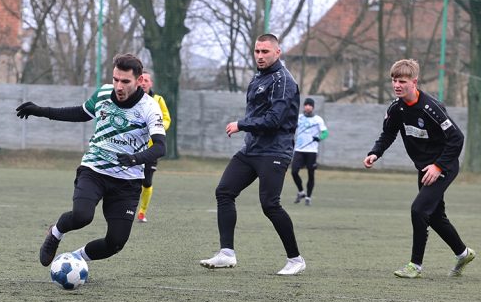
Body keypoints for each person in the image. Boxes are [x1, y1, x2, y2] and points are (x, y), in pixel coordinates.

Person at [16, 53, 166, 267]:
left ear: (139, 80)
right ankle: (55, 233)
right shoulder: (104, 93)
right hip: (94, 170)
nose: (119, 86)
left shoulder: (150, 107)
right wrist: (41, 111)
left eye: (125, 81)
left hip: (128, 181)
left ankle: (76, 259)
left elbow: (160, 147)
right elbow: (80, 113)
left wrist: (135, 158)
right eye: (115, 79)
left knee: (115, 243)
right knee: (81, 216)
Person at [200, 33, 305, 275]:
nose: (260, 56)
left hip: (275, 150)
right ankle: (226, 253)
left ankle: (295, 259)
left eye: (265, 52)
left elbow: (274, 119)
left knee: (270, 204)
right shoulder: (260, 77)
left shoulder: (283, 81)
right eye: (257, 51)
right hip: (252, 149)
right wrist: (246, 128)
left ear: (278, 52)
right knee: (224, 191)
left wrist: (241, 124)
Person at [363, 59, 475, 278]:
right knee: (434, 216)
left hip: (444, 165)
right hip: (425, 168)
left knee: (418, 210)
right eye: (394, 80)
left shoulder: (431, 108)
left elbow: (457, 138)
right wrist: (375, 152)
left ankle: (415, 266)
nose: (396, 85)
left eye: (402, 81)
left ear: (414, 82)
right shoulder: (396, 107)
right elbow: (388, 133)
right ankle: (463, 253)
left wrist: (438, 165)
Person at [136, 71, 172, 222]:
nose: (143, 83)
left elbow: (166, 118)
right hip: (134, 147)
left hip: (151, 149)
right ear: (137, 82)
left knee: (147, 181)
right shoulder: (132, 99)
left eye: (146, 80)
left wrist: (157, 128)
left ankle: (142, 211)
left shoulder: (158, 99)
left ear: (151, 83)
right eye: (141, 80)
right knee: (131, 180)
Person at [291, 97, 328, 206]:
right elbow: (291, 128)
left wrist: (319, 138)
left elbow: (325, 132)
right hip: (299, 149)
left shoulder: (318, 119)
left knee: (310, 174)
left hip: (311, 151)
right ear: (304, 106)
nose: (308, 107)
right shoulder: (299, 118)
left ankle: (308, 197)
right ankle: (301, 191)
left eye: (310, 105)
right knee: (294, 171)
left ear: (313, 107)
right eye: (306, 105)